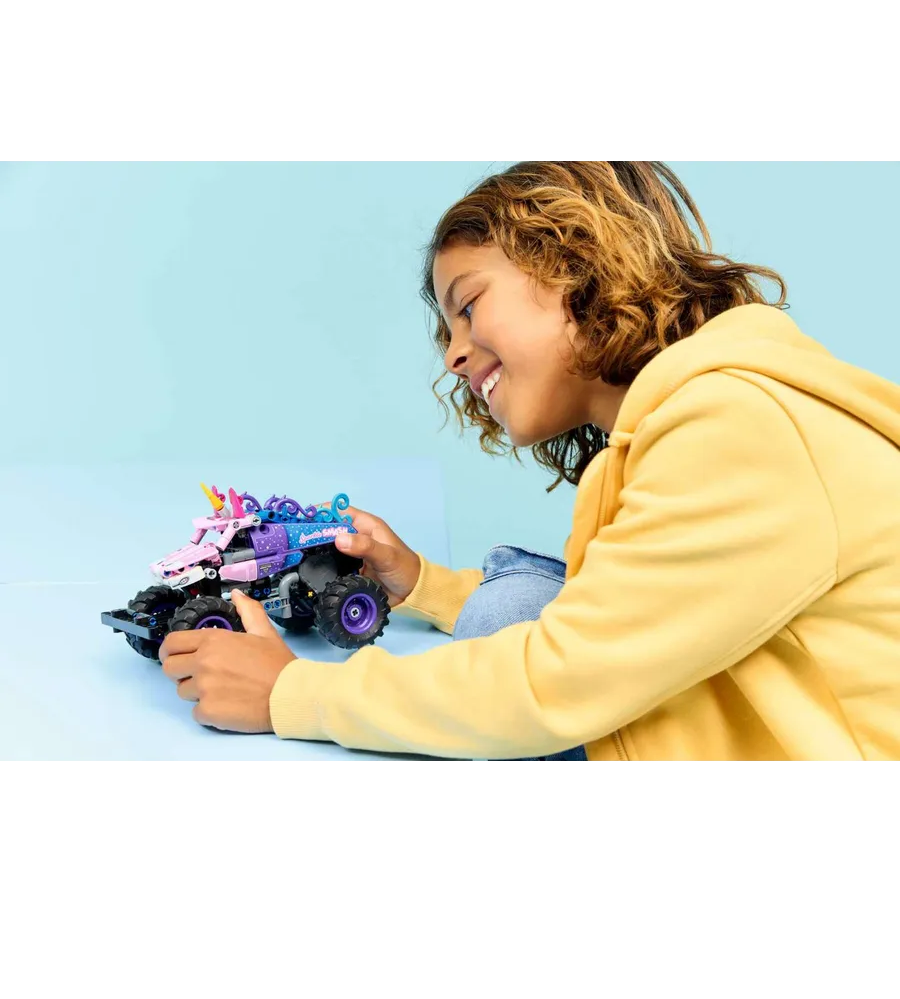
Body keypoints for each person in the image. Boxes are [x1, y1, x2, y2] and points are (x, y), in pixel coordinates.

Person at [160, 160, 900, 761]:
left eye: (469, 306)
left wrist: (292, 694)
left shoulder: (738, 428)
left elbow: (558, 680)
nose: (453, 355)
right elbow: (621, 620)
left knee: (506, 635)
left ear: (576, 265)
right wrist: (422, 586)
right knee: (507, 606)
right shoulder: (700, 417)